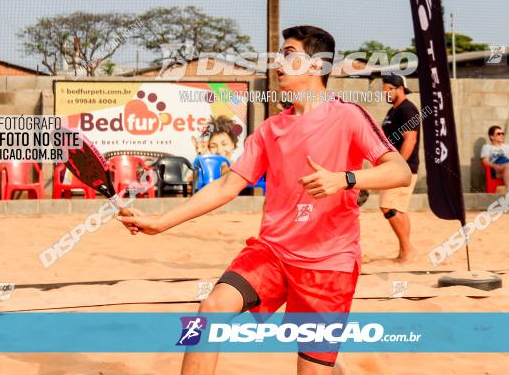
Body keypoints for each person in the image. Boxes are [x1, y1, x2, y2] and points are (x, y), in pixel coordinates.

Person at [118, 25, 411, 374]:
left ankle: (346, 364)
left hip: (328, 264)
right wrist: (161, 222)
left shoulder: (347, 115)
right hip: (272, 253)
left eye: (288, 55)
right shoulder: (271, 130)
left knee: (313, 369)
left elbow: (399, 171)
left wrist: (344, 179)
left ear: (316, 66)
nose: (278, 63)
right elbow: (227, 185)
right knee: (211, 309)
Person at [379, 74, 419, 263]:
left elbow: (410, 139)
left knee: (387, 206)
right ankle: (405, 252)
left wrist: (399, 166)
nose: (384, 93)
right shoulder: (392, 111)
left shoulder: (407, 109)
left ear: (399, 88)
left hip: (404, 167)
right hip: (393, 166)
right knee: (399, 210)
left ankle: (408, 249)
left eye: (387, 89)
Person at [480, 125, 509, 190]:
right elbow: (485, 161)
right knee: (508, 165)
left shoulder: (507, 147)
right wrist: (495, 166)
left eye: (502, 134)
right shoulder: (487, 147)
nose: (501, 135)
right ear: (492, 137)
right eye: (498, 134)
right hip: (497, 170)